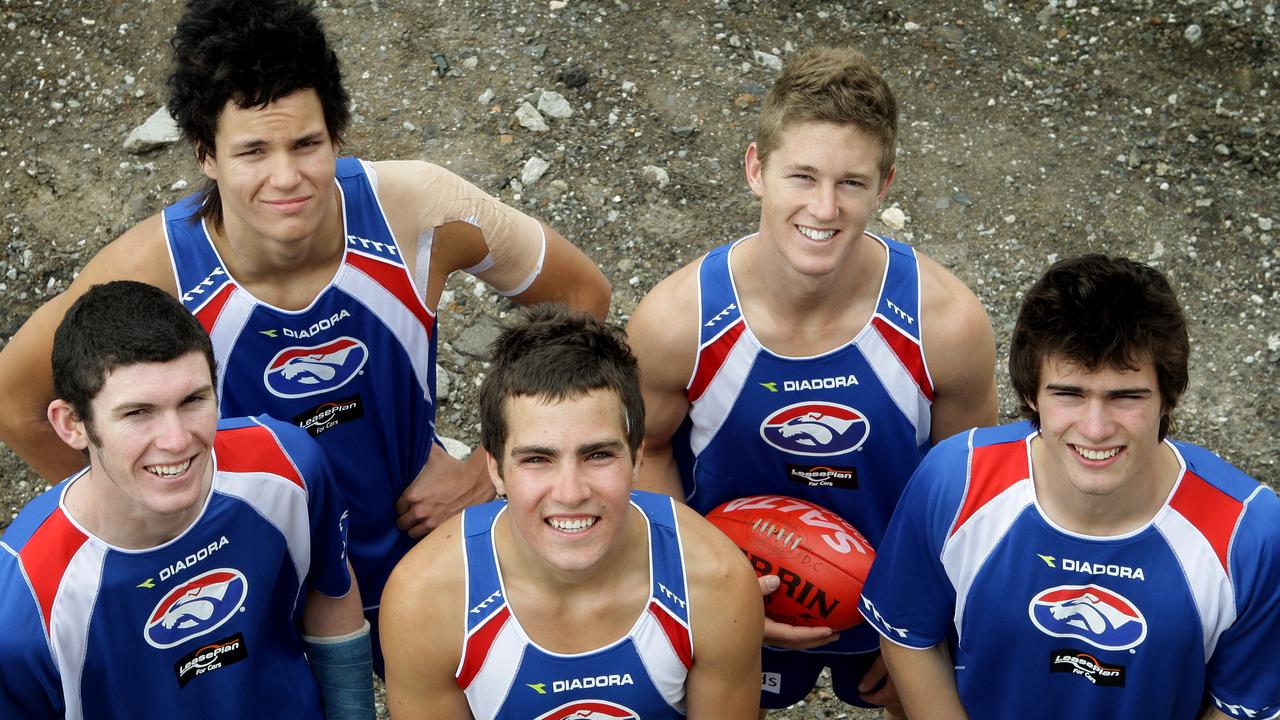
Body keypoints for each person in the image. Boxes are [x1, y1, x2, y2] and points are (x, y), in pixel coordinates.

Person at [0, 0, 610, 662]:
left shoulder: (413, 210)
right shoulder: (154, 269)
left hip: (420, 549)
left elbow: (583, 295)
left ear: (338, 133)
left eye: (306, 144)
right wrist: (160, 514)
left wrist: (487, 465)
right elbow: (18, 403)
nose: (286, 177)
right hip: (259, 586)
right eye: (253, 151)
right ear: (206, 153)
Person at [625, 46, 997, 714]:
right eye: (802, 176)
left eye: (851, 183)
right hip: (733, 591)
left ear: (885, 186)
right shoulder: (678, 322)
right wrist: (703, 592)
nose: (824, 209)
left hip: (891, 600)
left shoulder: (944, 325)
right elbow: (646, 450)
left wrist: (925, 627)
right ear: (755, 169)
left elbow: (968, 494)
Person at [859, 255, 1280, 719]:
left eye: (1126, 396)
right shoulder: (955, 480)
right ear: (1029, 393)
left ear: (1168, 396)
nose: (1095, 428)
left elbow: (1238, 707)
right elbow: (911, 639)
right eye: (1069, 394)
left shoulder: (1249, 534)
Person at [0, 281, 373, 719]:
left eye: (193, 399)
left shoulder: (286, 466)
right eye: (138, 413)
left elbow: (330, 592)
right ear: (72, 423)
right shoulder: (26, 598)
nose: (177, 441)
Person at [379, 304, 764, 719]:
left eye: (597, 455)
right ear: (495, 469)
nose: (570, 492)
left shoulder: (712, 579)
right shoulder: (426, 600)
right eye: (537, 459)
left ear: (636, 457)